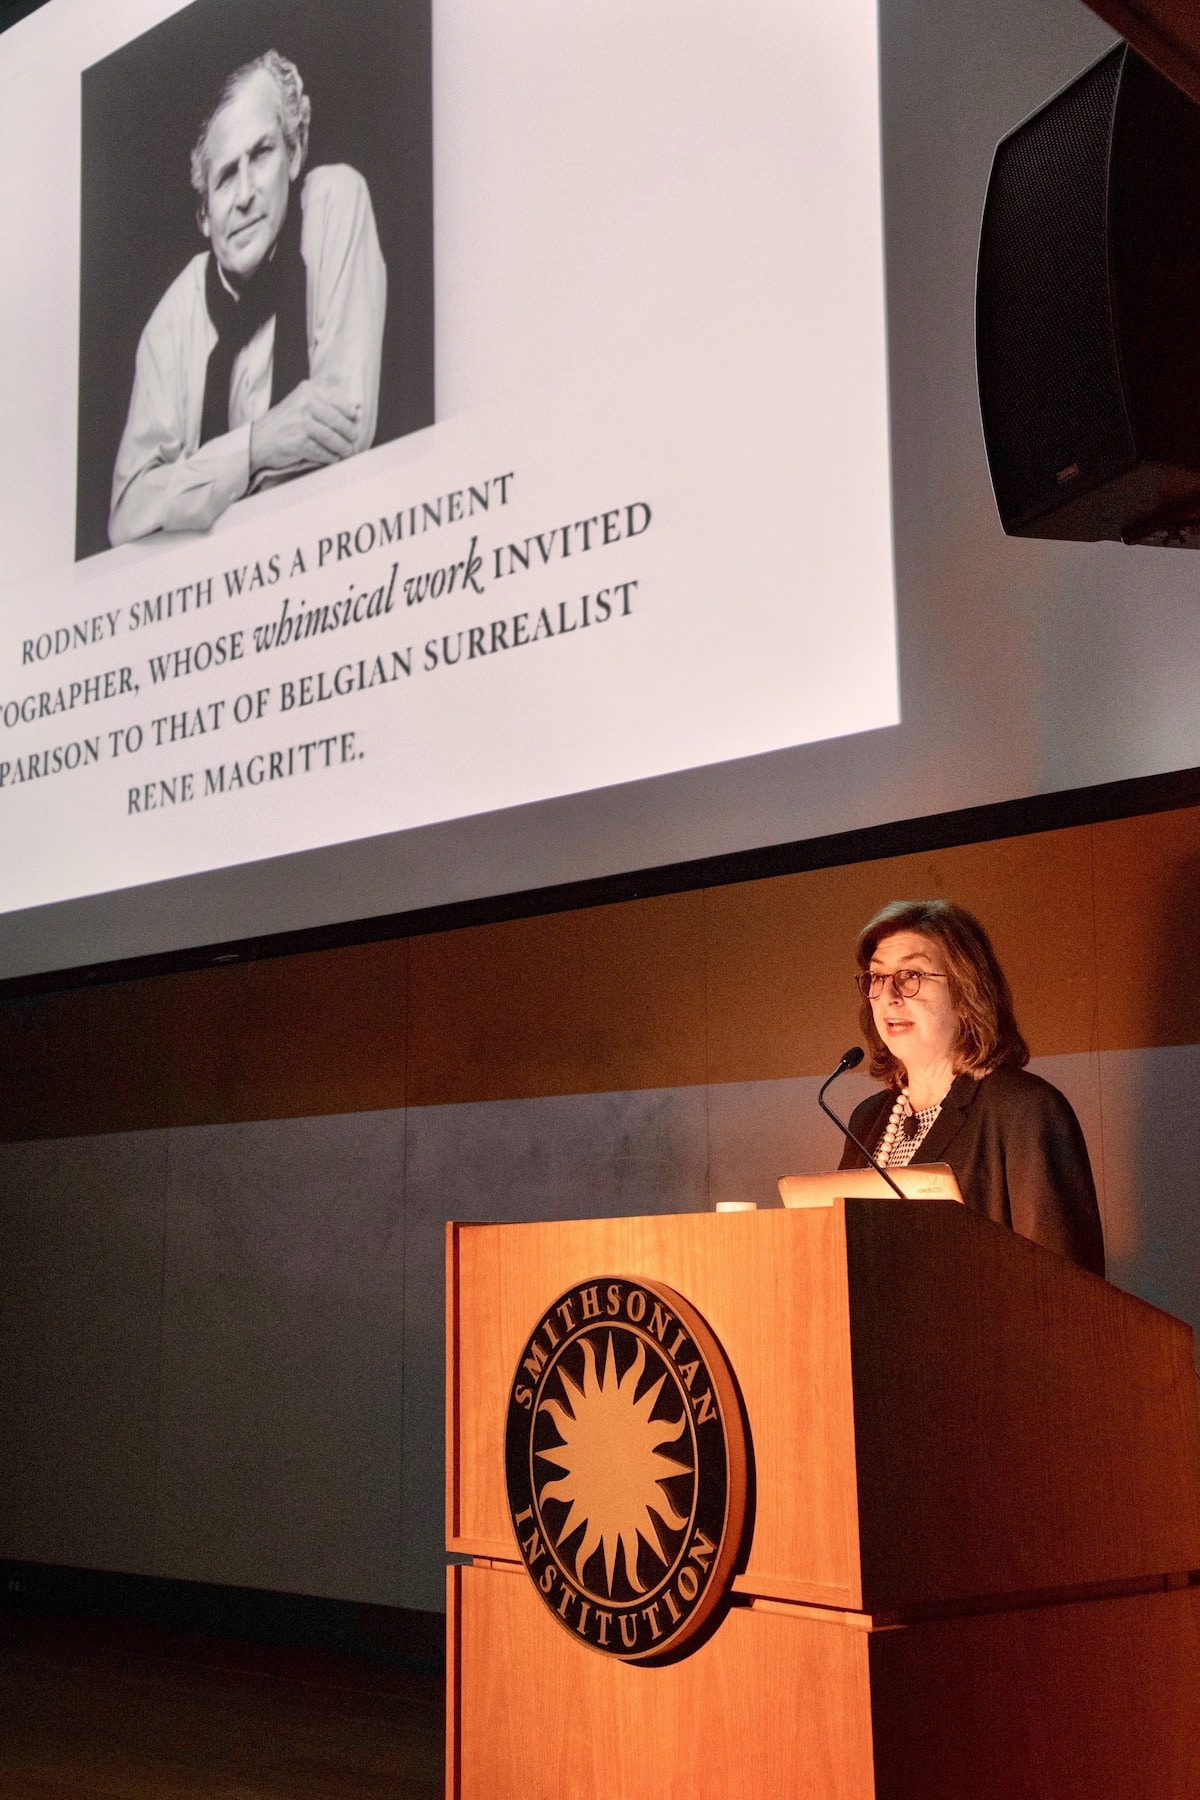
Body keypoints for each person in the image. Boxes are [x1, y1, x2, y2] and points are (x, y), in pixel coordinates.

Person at [109, 49, 387, 546]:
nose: (243, 195)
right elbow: (129, 514)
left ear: (296, 151)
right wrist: (258, 445)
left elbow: (347, 429)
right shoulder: (172, 322)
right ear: (203, 216)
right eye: (223, 178)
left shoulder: (336, 204)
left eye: (260, 155)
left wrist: (198, 489)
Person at [838, 898, 1105, 1276]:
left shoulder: (1023, 1109)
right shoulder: (867, 1118)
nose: (889, 996)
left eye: (910, 976)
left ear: (966, 993)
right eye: (878, 977)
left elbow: (1062, 1286)